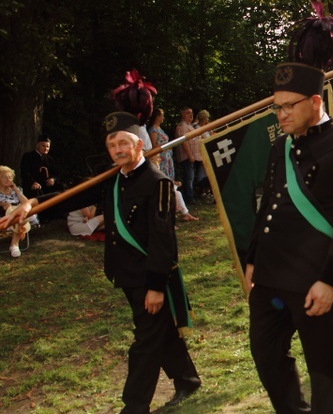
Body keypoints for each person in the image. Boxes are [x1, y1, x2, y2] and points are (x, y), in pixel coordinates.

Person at [1, 112, 201, 412]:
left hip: (151, 276)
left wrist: (156, 287)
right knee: (160, 331)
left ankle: (134, 406)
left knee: (145, 341)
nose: (118, 149)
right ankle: (187, 380)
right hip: (126, 274)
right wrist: (30, 205)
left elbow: (164, 240)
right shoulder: (112, 179)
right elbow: (69, 197)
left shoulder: (157, 182)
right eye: (112, 145)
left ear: (139, 145)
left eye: (124, 143)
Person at [244, 11, 333, 412]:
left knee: (323, 364)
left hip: (314, 278)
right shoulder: (277, 147)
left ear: (316, 101)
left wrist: (331, 280)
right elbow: (266, 207)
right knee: (266, 356)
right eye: (276, 107)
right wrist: (252, 261)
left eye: (288, 106)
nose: (280, 114)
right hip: (269, 276)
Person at [0, 165, 36, 257]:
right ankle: (14, 246)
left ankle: (14, 244)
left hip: (18, 212)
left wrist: (16, 190)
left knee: (21, 215)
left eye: (10, 177)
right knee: (19, 216)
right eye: (5, 177)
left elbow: (27, 203)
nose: (8, 179)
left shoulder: (17, 189)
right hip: (3, 215)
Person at [20, 134, 65, 199]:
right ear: (37, 145)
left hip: (47, 185)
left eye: (47, 147)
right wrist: (33, 183)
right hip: (32, 185)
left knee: (61, 186)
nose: (46, 148)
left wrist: (53, 179)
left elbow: (56, 174)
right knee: (36, 190)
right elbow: (25, 173)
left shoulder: (50, 159)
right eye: (43, 146)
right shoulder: (28, 156)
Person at [174, 107, 197, 203]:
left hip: (190, 156)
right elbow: (184, 141)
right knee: (189, 177)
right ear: (183, 115)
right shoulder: (183, 126)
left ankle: (190, 196)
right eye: (188, 113)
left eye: (191, 113)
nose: (191, 115)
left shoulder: (189, 125)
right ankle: (189, 198)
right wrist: (190, 155)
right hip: (186, 156)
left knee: (190, 177)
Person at [148, 108, 175, 180]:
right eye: (162, 116)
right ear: (157, 117)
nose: (163, 118)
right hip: (161, 158)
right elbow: (154, 145)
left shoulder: (159, 128)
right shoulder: (153, 130)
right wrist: (166, 146)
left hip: (167, 157)